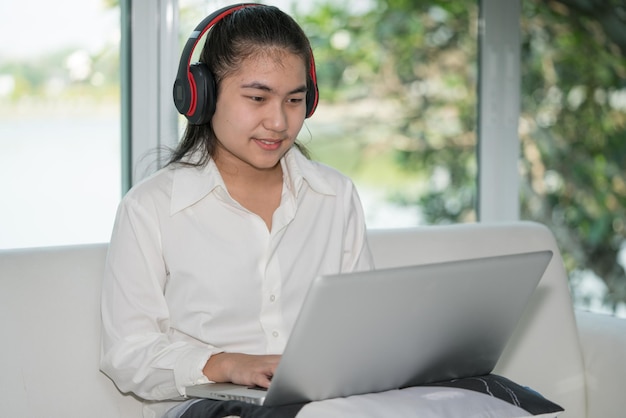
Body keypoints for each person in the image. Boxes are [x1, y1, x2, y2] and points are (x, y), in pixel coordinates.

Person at [100, 3, 374, 418]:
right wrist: (225, 364)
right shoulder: (150, 208)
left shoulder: (336, 196)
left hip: (323, 403)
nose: (279, 121)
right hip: (207, 406)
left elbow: (362, 325)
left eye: (294, 100)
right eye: (257, 97)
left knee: (483, 395)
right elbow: (127, 353)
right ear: (202, 95)